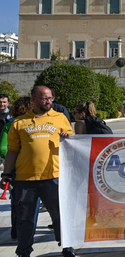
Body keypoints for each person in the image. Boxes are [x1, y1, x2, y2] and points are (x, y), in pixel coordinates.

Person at [0, 85, 75, 257]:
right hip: (25, 180)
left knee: (59, 216)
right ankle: (24, 252)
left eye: (50, 98)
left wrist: (67, 138)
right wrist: (6, 174)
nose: (49, 102)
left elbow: (72, 143)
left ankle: (66, 247)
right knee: (24, 219)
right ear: (33, 99)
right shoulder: (19, 122)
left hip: (53, 177)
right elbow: (12, 150)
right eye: (44, 98)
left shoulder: (60, 118)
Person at [1, 96, 41, 242]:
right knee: (34, 202)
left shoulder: (10, 125)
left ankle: (16, 232)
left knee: (17, 202)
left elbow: (3, 149)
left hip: (15, 170)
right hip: (32, 168)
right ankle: (30, 233)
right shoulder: (35, 125)